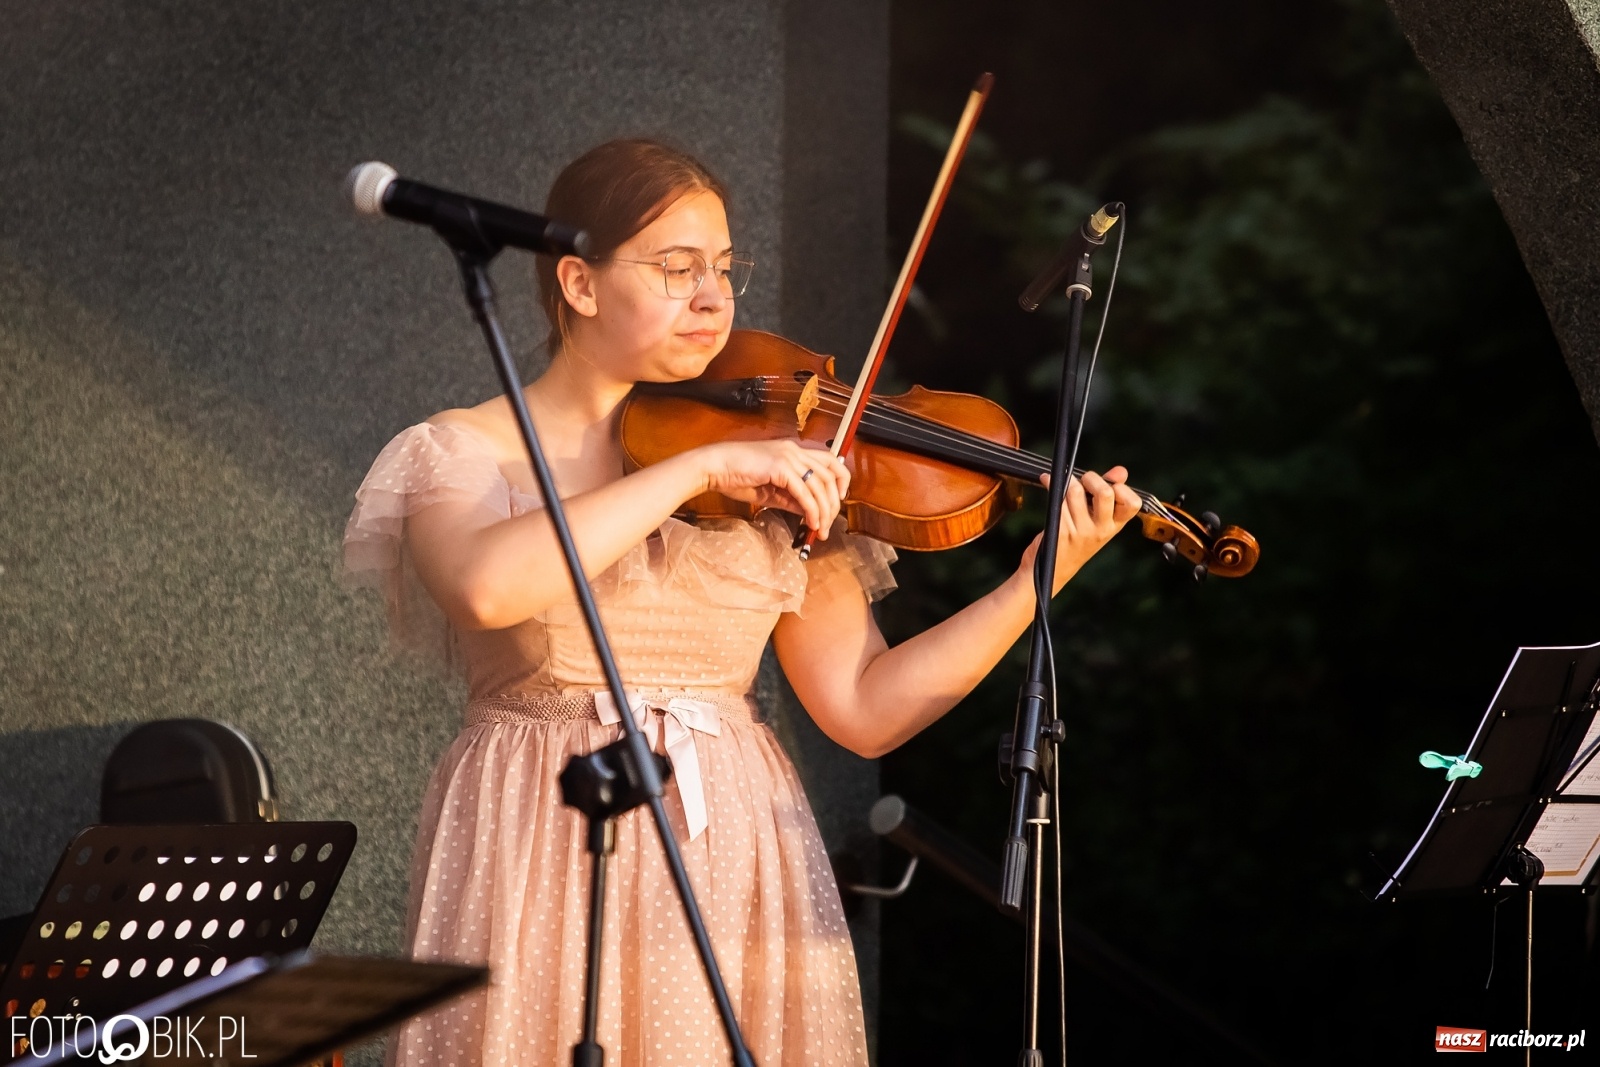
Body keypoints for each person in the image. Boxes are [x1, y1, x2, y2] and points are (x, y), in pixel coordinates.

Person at [343, 138, 1142, 1067]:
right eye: (677, 268)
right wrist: (698, 468)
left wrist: (1031, 586)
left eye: (724, 268)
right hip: (543, 838)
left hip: (731, 849)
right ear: (580, 282)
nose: (715, 298)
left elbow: (865, 707)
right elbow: (486, 586)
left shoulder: (773, 463)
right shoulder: (464, 452)